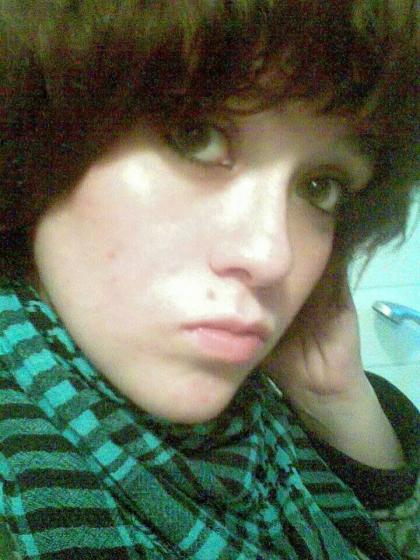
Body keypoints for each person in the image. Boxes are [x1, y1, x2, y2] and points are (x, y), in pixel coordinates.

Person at [0, 1, 418, 558]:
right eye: (195, 136)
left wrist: (337, 399)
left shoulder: (267, 421)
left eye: (321, 186)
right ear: (37, 139)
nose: (273, 257)